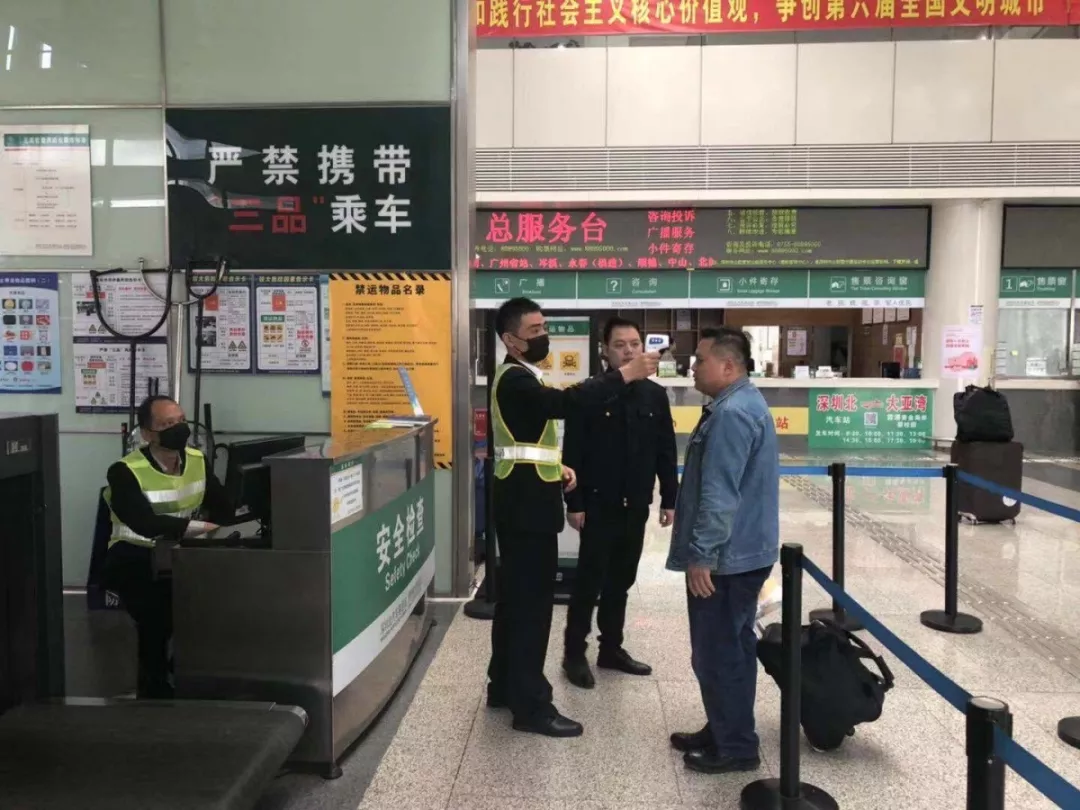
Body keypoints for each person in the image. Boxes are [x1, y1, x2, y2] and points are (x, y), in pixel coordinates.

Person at [487, 297, 659, 738]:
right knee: (531, 609)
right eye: (535, 331)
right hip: (526, 511)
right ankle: (531, 707)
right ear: (510, 340)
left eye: (544, 327)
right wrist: (624, 375)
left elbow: (526, 444)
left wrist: (555, 467)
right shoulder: (516, 379)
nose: (543, 336)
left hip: (524, 498)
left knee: (515, 603)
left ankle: (503, 685)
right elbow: (567, 403)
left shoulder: (520, 375)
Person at [665, 327, 780, 775]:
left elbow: (719, 494)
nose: (693, 367)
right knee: (728, 647)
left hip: (728, 559)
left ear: (728, 366)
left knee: (719, 652)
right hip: (741, 551)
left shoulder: (732, 414)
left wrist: (703, 555)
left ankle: (736, 747)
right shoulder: (740, 404)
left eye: (700, 360)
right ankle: (724, 727)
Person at [561, 316, 678, 689]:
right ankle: (573, 653)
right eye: (620, 345)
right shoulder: (592, 393)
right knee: (589, 581)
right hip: (598, 504)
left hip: (636, 504)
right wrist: (574, 502)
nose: (629, 351)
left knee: (622, 580)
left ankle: (611, 648)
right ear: (605, 351)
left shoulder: (655, 395)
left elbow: (665, 449)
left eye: (635, 344)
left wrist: (670, 498)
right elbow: (572, 452)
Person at [102, 395, 231, 699]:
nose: (179, 428)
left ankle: (183, 670)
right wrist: (194, 527)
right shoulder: (125, 470)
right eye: (167, 424)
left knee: (216, 600)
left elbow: (222, 506)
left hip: (179, 551)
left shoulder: (196, 460)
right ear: (148, 434)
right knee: (157, 618)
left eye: (181, 420)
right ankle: (154, 689)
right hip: (135, 555)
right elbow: (143, 522)